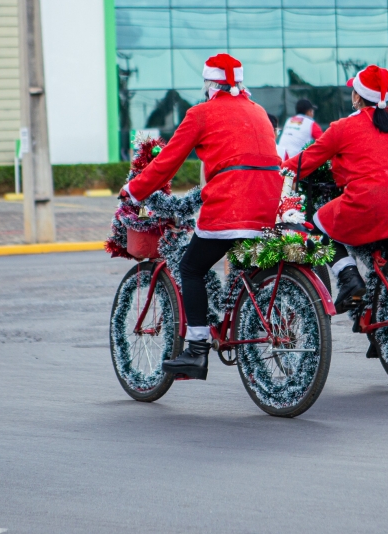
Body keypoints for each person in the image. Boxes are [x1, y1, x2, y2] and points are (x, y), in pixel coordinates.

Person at [121, 53, 282, 381]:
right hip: (270, 203)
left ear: (210, 84)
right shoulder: (258, 110)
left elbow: (168, 161)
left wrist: (134, 191)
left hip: (232, 205)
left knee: (191, 267)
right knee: (244, 265)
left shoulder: (201, 113)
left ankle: (196, 351)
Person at [283, 65, 388, 325]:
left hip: (371, 200)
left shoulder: (344, 127)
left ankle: (348, 276)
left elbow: (305, 161)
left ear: (357, 96)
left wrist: (276, 174)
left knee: (316, 223)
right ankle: (383, 325)